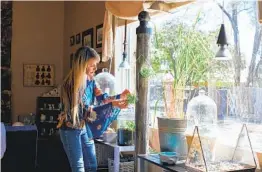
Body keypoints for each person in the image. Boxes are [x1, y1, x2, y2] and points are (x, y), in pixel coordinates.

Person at [57, 46, 130, 172]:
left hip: (84, 127)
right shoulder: (71, 84)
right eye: (92, 65)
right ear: (82, 64)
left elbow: (102, 98)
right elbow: (85, 110)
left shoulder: (91, 80)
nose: (96, 68)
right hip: (70, 128)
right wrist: (114, 105)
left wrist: (119, 97)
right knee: (78, 167)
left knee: (91, 164)